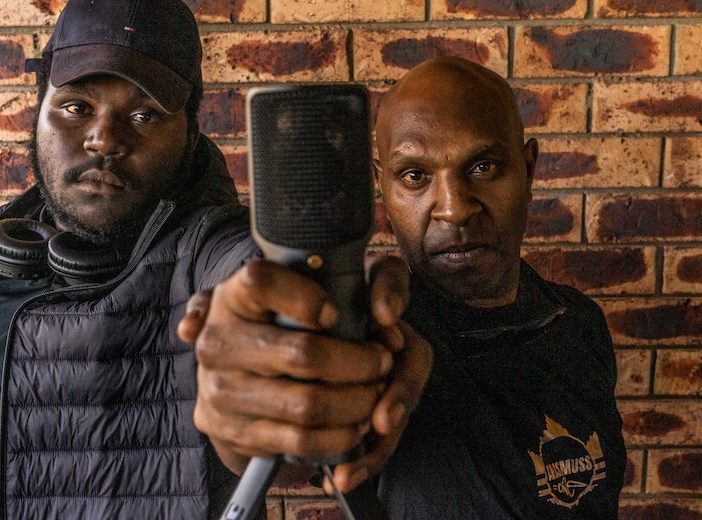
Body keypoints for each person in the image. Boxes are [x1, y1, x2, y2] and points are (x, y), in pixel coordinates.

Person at [0, 0, 425, 519]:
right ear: (39, 107)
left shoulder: (204, 258)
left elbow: (246, 281)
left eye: (145, 114)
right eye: (77, 107)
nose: (105, 138)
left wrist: (312, 327)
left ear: (190, 132)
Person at [189, 56, 626, 518]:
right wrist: (241, 424)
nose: (454, 209)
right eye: (415, 176)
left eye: (484, 167)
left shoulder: (580, 322)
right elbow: (290, 447)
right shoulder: (381, 343)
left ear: (528, 170)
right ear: (383, 186)